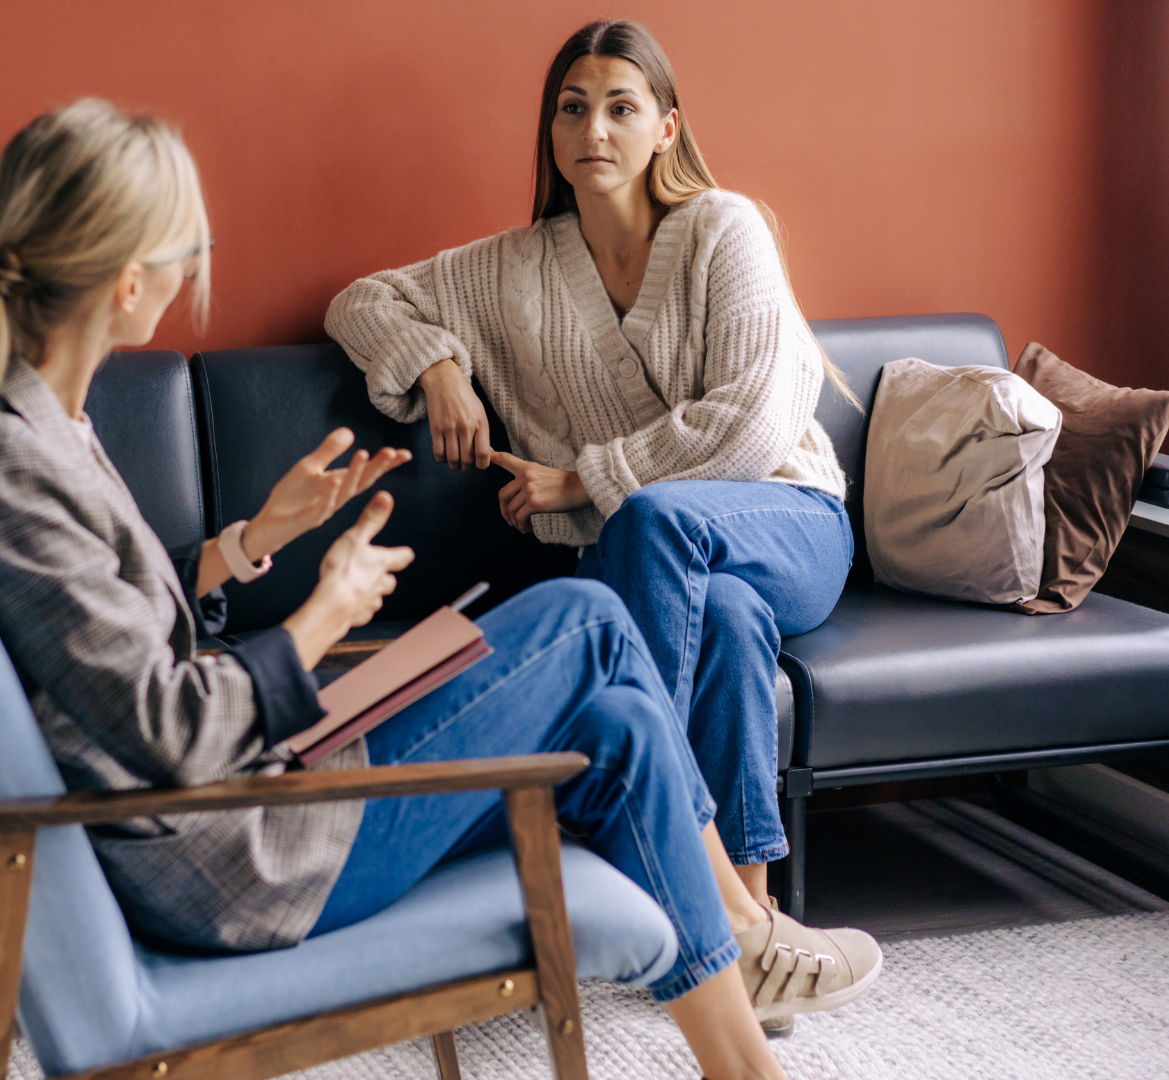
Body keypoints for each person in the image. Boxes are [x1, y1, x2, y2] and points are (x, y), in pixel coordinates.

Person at [0, 98, 878, 1080]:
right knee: (587, 620)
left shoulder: (36, 425)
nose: (196, 267)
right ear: (126, 277)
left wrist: (259, 537)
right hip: (242, 859)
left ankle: (742, 1063)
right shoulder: (9, 465)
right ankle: (745, 931)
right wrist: (327, 612)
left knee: (618, 721)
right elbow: (165, 724)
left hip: (252, 795)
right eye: (185, 246)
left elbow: (108, 634)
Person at [326, 18, 858, 981]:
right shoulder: (514, 267)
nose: (594, 130)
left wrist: (581, 481)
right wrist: (439, 365)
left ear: (666, 127)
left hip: (789, 519)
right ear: (552, 130)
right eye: (573, 109)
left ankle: (649, 848)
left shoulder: (724, 227)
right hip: (669, 563)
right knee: (727, 621)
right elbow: (362, 301)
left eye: (621, 107)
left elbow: (751, 425)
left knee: (656, 520)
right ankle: (747, 921)